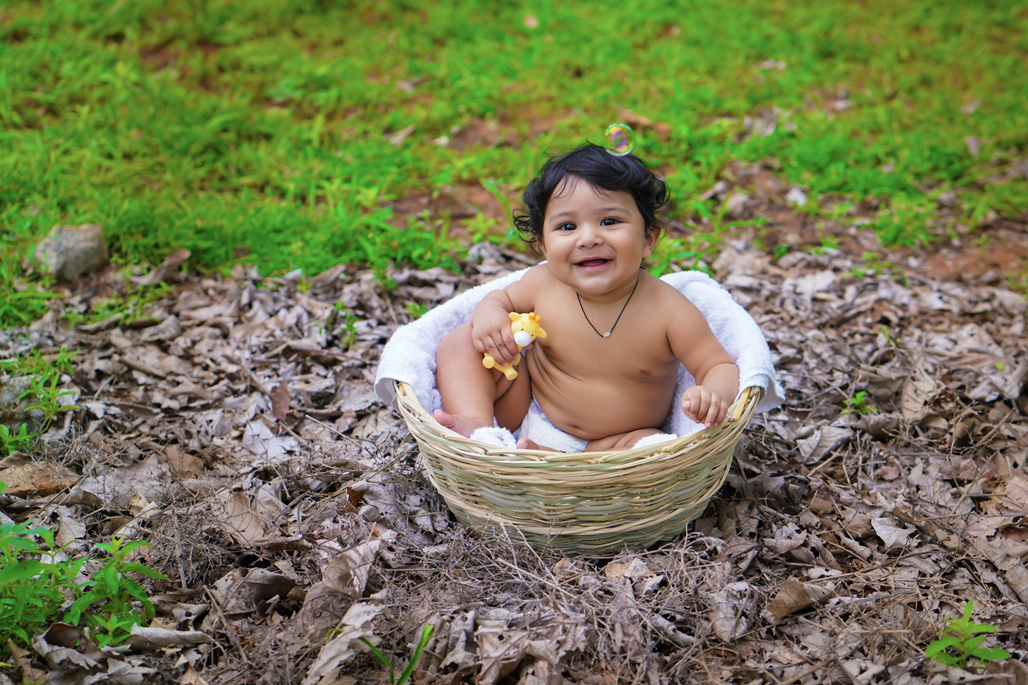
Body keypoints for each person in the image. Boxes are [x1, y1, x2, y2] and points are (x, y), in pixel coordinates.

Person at [433, 144, 739, 452]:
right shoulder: (543, 283)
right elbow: (498, 299)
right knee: (462, 341)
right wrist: (490, 316)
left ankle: (561, 467)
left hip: (611, 442)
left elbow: (719, 364)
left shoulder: (670, 310)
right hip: (525, 407)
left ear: (648, 239)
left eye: (609, 221)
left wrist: (713, 393)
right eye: (567, 226)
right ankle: (479, 427)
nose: (589, 238)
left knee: (651, 447)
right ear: (543, 245)